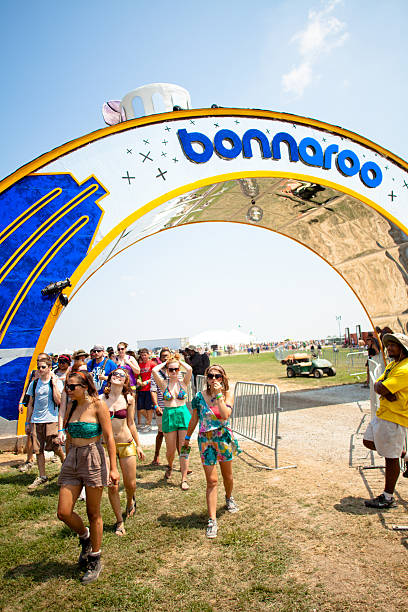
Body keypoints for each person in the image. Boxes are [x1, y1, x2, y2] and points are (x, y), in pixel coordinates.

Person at [57, 371, 119, 584]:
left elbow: (109, 436)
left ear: (85, 386)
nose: (68, 390)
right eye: (67, 386)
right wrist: (66, 458)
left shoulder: (97, 405)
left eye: (72, 386)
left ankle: (95, 557)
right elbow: (69, 434)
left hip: (94, 456)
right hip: (73, 459)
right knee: (63, 512)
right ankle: (85, 538)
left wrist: (113, 467)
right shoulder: (72, 405)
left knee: (93, 512)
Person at [184, 364, 241, 538]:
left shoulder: (227, 395)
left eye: (218, 376)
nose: (214, 379)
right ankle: (212, 520)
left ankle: (229, 497)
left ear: (223, 378)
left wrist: (218, 397)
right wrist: (187, 438)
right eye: (211, 376)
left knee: (227, 476)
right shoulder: (199, 397)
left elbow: (225, 415)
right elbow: (194, 419)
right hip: (205, 441)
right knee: (212, 481)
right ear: (206, 378)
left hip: (223, 438)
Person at [363, 333, 408, 508]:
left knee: (390, 458)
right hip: (383, 415)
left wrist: (384, 389)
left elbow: (381, 386)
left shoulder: (405, 369)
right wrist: (383, 389)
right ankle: (403, 455)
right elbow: (378, 384)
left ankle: (388, 497)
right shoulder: (393, 365)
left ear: (403, 349)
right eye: (388, 345)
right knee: (368, 441)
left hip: (394, 418)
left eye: (393, 346)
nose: (389, 348)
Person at [103, 369, 145, 535]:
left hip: (125, 443)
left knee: (130, 484)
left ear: (126, 381)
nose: (117, 376)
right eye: (114, 373)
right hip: (106, 447)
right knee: (112, 485)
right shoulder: (100, 400)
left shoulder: (129, 399)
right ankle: (119, 521)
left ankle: (130, 501)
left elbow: (131, 424)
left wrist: (138, 445)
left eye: (121, 375)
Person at [152, 353, 192, 489]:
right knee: (170, 451)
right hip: (169, 415)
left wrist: (178, 362)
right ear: (167, 371)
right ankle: (170, 465)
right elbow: (154, 370)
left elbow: (190, 369)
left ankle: (184, 478)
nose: (174, 372)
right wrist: (167, 363)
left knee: (184, 448)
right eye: (171, 370)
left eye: (176, 369)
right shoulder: (163, 384)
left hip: (183, 414)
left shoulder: (184, 382)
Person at [25, 355, 65, 489]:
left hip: (51, 419)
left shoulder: (56, 382)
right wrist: (27, 422)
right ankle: (42, 476)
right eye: (39, 367)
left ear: (49, 368)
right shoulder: (34, 383)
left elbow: (59, 401)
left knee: (55, 445)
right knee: (38, 449)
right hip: (36, 420)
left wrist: (53, 384)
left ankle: (65, 464)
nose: (40, 369)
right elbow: (30, 403)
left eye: (43, 367)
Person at [18, 352, 49, 473]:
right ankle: (29, 459)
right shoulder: (33, 373)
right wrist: (21, 402)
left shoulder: (51, 374)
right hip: (33, 406)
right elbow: (27, 388)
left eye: (42, 361)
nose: (39, 364)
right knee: (30, 433)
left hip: (46, 409)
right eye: (38, 361)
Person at [150, 347, 171, 465]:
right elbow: (153, 390)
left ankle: (182, 462)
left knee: (178, 436)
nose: (166, 359)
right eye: (163, 356)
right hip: (162, 408)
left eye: (168, 356)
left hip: (175, 408)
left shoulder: (176, 371)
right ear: (160, 358)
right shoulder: (156, 373)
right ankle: (156, 455)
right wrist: (156, 406)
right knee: (161, 433)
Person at [137, 349, 156, 430]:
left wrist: (147, 381)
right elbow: (137, 376)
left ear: (148, 355)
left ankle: (148, 424)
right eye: (142, 355)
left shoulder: (152, 364)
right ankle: (149, 420)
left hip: (150, 389)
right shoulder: (139, 365)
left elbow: (156, 376)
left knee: (149, 408)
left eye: (145, 355)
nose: (144, 357)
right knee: (140, 409)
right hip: (141, 389)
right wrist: (138, 380)